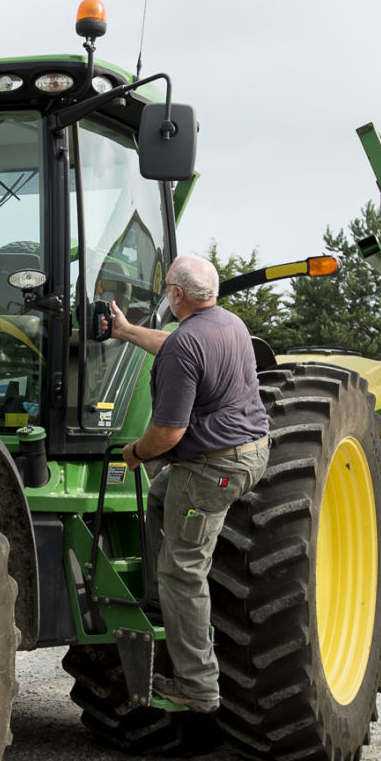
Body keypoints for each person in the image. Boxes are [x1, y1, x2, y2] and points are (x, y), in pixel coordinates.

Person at [109, 254, 270, 713]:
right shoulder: (228, 324)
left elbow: (168, 434)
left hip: (213, 471)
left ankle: (198, 686)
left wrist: (135, 453)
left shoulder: (187, 344)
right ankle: (161, 606)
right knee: (159, 498)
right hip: (252, 451)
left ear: (176, 295)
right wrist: (126, 331)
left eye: (166, 289)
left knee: (183, 570)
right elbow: (179, 344)